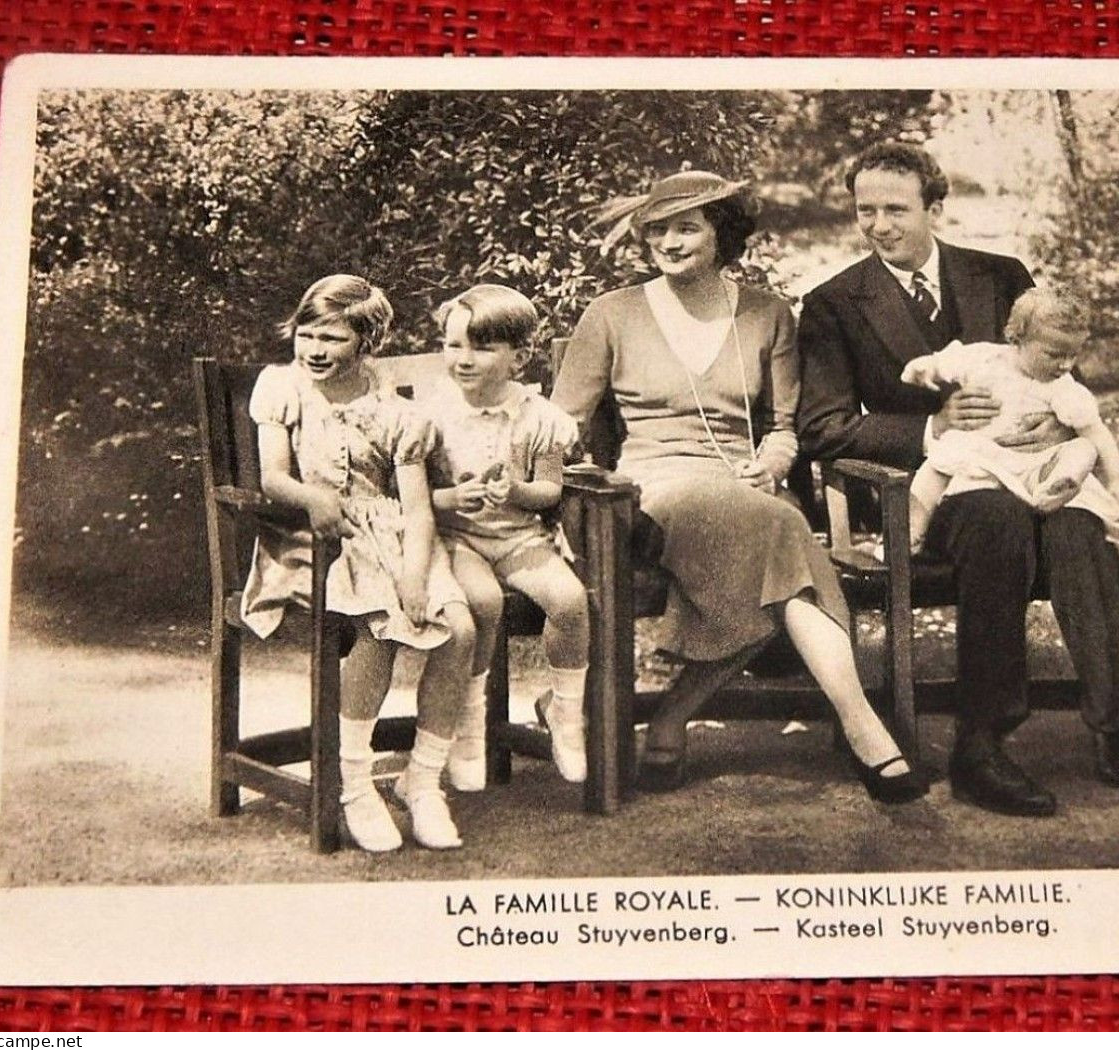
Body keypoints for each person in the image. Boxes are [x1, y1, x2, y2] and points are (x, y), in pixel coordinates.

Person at [796, 143, 1119, 819]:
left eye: (895, 209)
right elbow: (823, 426)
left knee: (1078, 528)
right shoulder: (834, 303)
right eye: (864, 210)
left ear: (933, 208)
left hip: (1036, 469)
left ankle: (1107, 719)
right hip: (933, 493)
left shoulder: (999, 276)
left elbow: (1058, 368)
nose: (878, 224)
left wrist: (1053, 431)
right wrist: (931, 428)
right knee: (996, 519)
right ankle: (981, 741)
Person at [553, 169, 925, 803]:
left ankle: (671, 717)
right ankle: (864, 725)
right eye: (658, 229)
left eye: (686, 227)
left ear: (721, 234)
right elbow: (562, 421)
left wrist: (775, 461)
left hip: (746, 488)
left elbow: (785, 428)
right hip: (651, 490)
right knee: (784, 535)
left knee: (773, 548)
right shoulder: (610, 314)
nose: (668, 241)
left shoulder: (766, 313)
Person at [241, 274, 471, 852]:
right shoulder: (283, 388)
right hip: (312, 540)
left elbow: (417, 511)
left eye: (333, 339)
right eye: (307, 334)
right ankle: (354, 782)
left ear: (366, 343)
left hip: (391, 537)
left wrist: (417, 576)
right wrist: (317, 499)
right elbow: (272, 477)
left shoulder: (395, 412)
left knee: (459, 629)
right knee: (381, 628)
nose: (315, 349)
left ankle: (422, 781)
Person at [421, 283, 589, 787]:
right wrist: (453, 498)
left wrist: (515, 489)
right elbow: (412, 495)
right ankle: (469, 722)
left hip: (518, 538)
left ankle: (565, 712)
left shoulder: (539, 417)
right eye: (454, 345)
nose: (463, 359)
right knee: (483, 603)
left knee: (570, 600)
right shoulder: (431, 415)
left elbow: (550, 491)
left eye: (481, 347)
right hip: (456, 538)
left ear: (518, 357)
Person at [899, 288, 1119, 554]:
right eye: (1055, 354)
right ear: (1018, 337)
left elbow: (1096, 432)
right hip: (985, 455)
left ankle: (1057, 488)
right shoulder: (984, 357)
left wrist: (1117, 479)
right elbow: (945, 361)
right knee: (941, 459)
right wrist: (922, 368)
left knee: (1083, 449)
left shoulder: (1062, 387)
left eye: (1073, 355)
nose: (1065, 365)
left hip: (1035, 465)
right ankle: (914, 526)